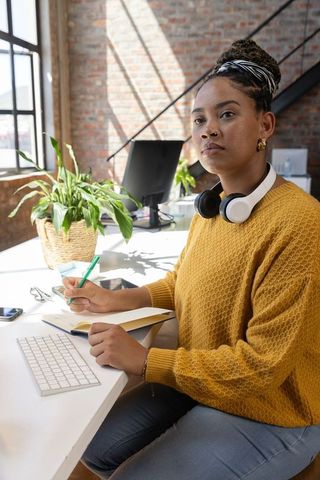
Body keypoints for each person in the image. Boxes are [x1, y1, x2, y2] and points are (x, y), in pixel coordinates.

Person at [63, 39, 320, 479]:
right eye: (199, 118)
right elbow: (183, 284)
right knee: (84, 447)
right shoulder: (212, 206)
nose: (209, 129)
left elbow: (261, 368)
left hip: (273, 409)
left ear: (266, 125)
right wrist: (113, 299)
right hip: (204, 382)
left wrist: (146, 362)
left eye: (227, 114)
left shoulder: (300, 223)